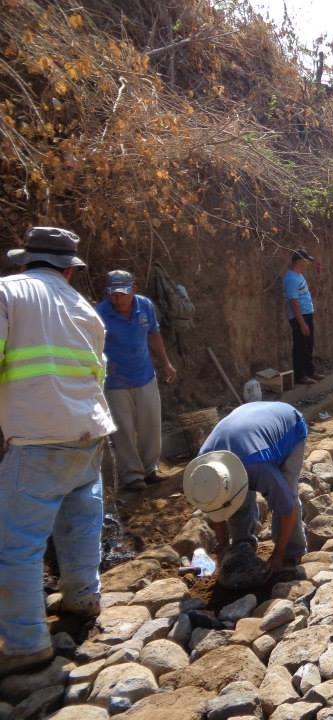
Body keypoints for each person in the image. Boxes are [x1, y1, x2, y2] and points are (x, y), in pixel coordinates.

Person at [0, 227, 115, 676]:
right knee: (80, 519)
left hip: (37, 436)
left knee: (17, 545)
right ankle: (83, 597)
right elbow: (96, 375)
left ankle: (27, 644)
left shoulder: (8, 293)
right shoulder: (86, 309)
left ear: (25, 261)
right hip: (88, 429)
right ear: (70, 270)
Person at [184, 401, 308, 573]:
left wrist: (278, 555)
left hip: (289, 425)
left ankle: (291, 553)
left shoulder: (259, 467)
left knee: (287, 493)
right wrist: (223, 546)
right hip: (249, 422)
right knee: (232, 500)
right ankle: (242, 545)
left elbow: (288, 510)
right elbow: (216, 506)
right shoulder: (205, 469)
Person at [96, 270, 176, 491]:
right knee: (123, 430)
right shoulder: (99, 314)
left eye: (122, 294)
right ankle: (132, 476)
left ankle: (150, 470)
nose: (118, 299)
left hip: (144, 376)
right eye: (113, 294)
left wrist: (166, 363)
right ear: (107, 293)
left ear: (133, 290)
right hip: (114, 383)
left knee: (150, 423)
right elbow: (93, 347)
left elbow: (153, 334)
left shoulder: (145, 306)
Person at [284, 248, 318, 385]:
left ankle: (310, 372)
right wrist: (302, 322)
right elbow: (293, 301)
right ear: (299, 261)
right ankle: (300, 375)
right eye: (306, 261)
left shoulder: (299, 276)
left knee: (308, 344)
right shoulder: (291, 278)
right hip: (300, 317)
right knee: (300, 346)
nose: (307, 264)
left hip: (307, 314)